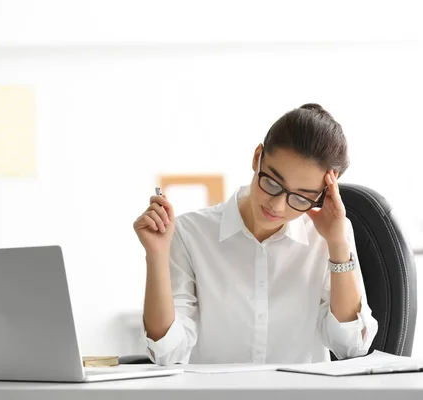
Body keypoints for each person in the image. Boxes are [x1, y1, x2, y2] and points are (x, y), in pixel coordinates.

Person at [133, 103, 378, 366]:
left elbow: (351, 347)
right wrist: (156, 256)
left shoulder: (328, 237)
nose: (277, 206)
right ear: (257, 157)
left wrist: (338, 244)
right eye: (272, 182)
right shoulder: (191, 234)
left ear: (321, 195)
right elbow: (167, 354)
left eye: (300, 198)